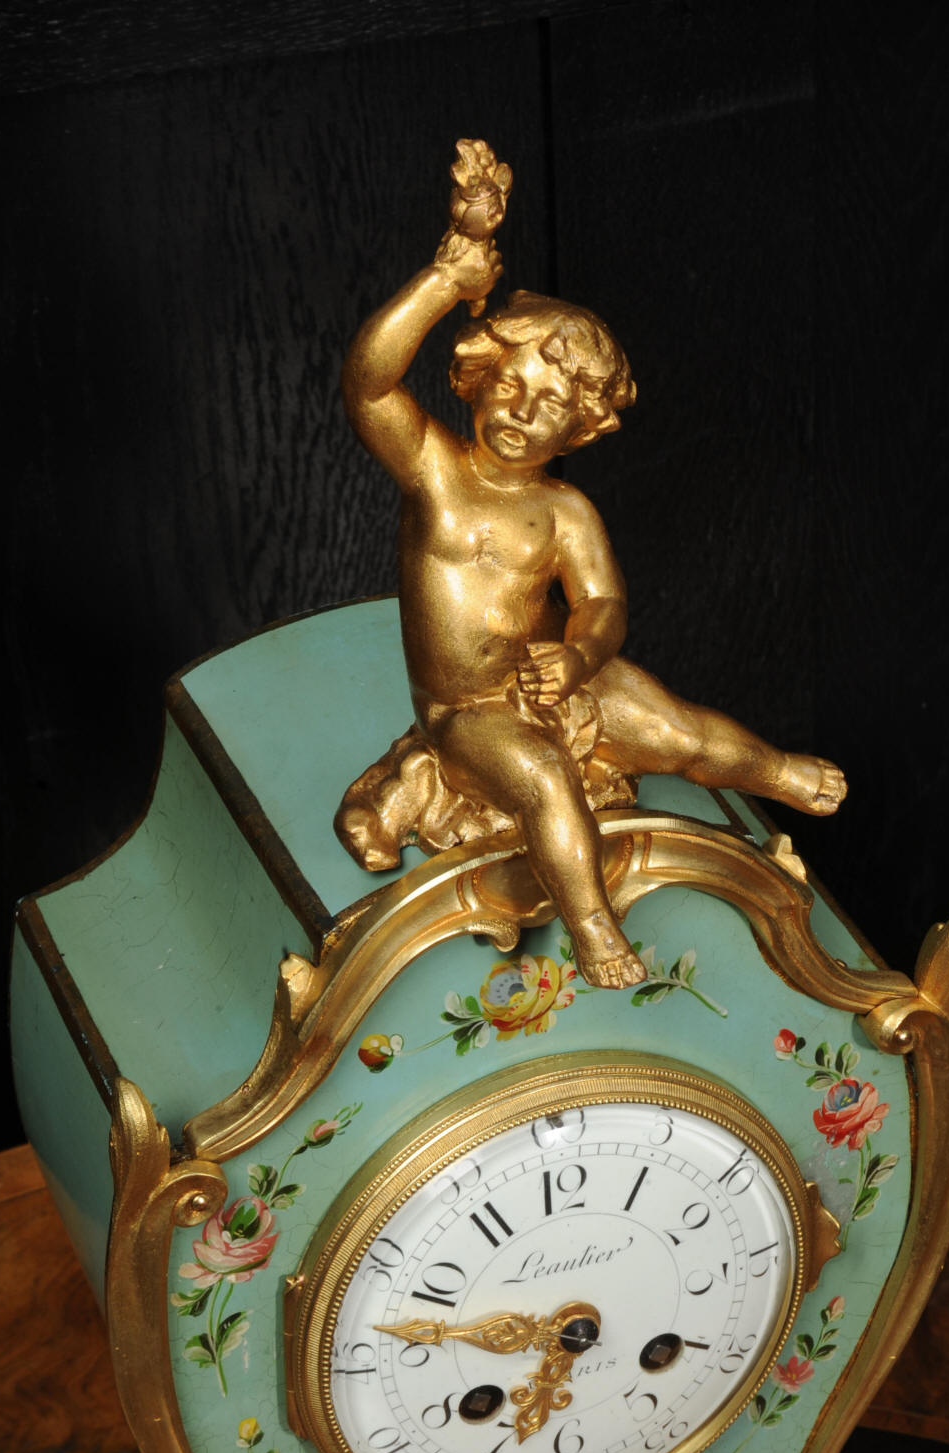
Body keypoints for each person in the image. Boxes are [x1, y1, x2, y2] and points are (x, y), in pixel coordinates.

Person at [336, 140, 845, 988]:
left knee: (677, 731)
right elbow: (368, 384)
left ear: (580, 429)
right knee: (543, 780)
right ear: (476, 378)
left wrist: (577, 658)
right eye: (509, 387)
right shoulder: (435, 472)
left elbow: (604, 604)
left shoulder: (566, 511)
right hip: (467, 712)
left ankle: (774, 770)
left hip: (555, 676)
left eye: (549, 408)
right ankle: (594, 926)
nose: (520, 413)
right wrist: (447, 280)